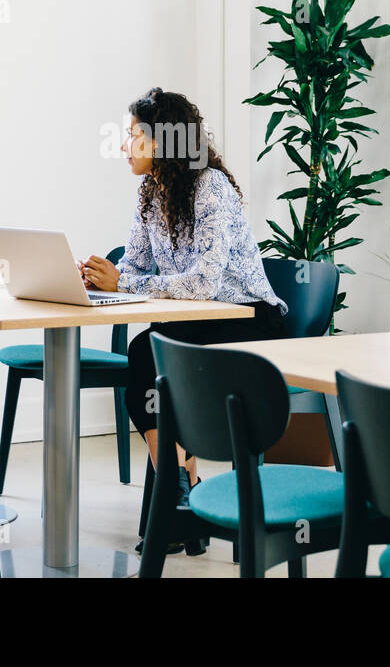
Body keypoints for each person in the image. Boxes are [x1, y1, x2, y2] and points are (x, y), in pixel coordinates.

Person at [78, 87, 286, 555]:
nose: (123, 145)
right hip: (197, 320)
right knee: (143, 354)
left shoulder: (210, 186)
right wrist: (102, 277)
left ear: (163, 141)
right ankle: (182, 487)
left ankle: (178, 497)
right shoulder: (151, 192)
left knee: (154, 356)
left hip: (247, 316)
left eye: (133, 135)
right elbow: (134, 266)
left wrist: (125, 284)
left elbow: (207, 283)